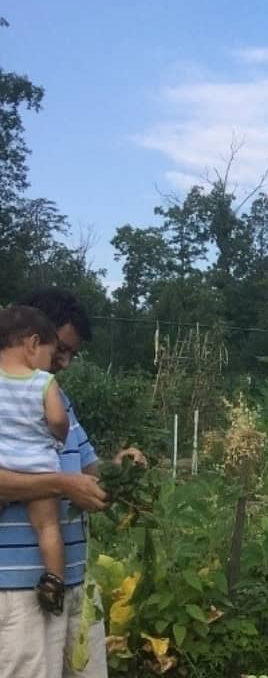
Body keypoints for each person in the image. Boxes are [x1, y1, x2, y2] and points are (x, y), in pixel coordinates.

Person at [0, 288, 144, 678]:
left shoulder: (57, 399)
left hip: (75, 587)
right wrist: (63, 485)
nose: (63, 361)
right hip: (20, 593)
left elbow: (87, 471)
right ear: (31, 338)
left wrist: (119, 469)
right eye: (59, 348)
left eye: (71, 354)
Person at [0, 305, 72, 615]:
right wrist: (60, 431)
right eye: (50, 353)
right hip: (40, 467)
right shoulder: (43, 381)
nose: (52, 363)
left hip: (5, 465)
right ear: (32, 344)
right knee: (47, 527)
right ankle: (53, 582)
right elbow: (57, 419)